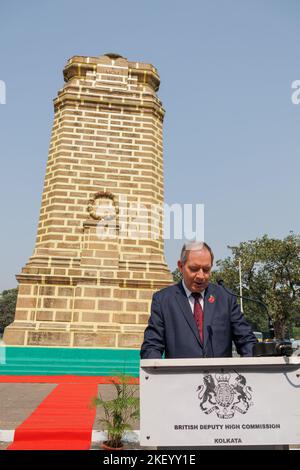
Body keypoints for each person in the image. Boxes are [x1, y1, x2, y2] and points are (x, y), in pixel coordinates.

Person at [140, 241, 257, 359]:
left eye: (206, 270)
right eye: (194, 269)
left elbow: (247, 341)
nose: (201, 276)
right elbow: (151, 347)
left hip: (220, 376)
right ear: (181, 266)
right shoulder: (163, 300)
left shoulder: (225, 298)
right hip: (181, 376)